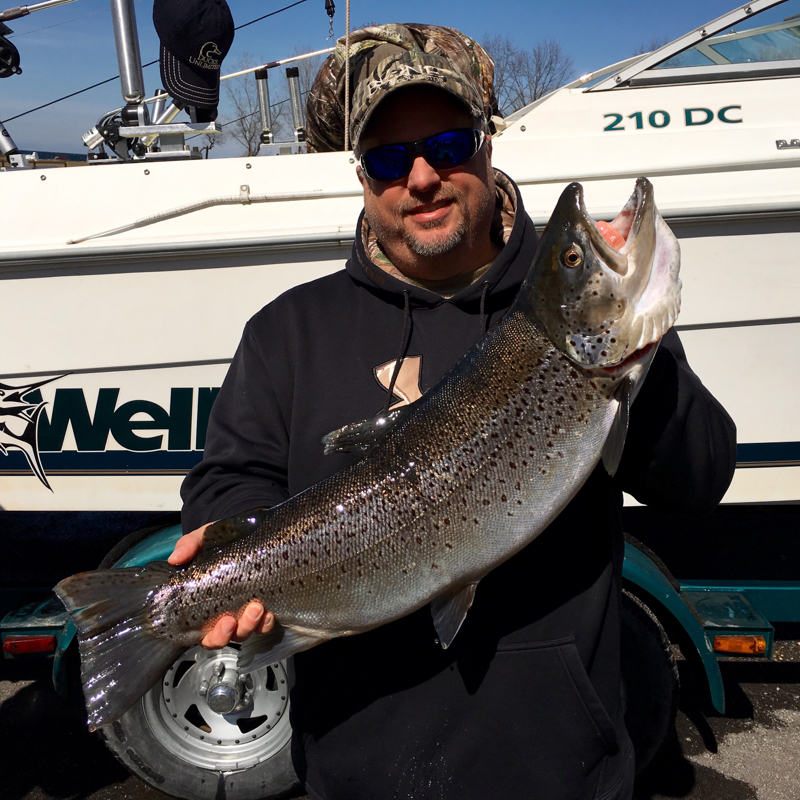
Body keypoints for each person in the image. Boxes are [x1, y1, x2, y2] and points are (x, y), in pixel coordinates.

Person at [173, 24, 736, 800]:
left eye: (447, 141)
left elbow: (702, 477)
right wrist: (230, 543)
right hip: (354, 768)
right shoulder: (286, 333)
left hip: (562, 770)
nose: (424, 176)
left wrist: (642, 354)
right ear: (363, 177)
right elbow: (231, 483)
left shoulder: (567, 321)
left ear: (487, 144)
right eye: (389, 158)